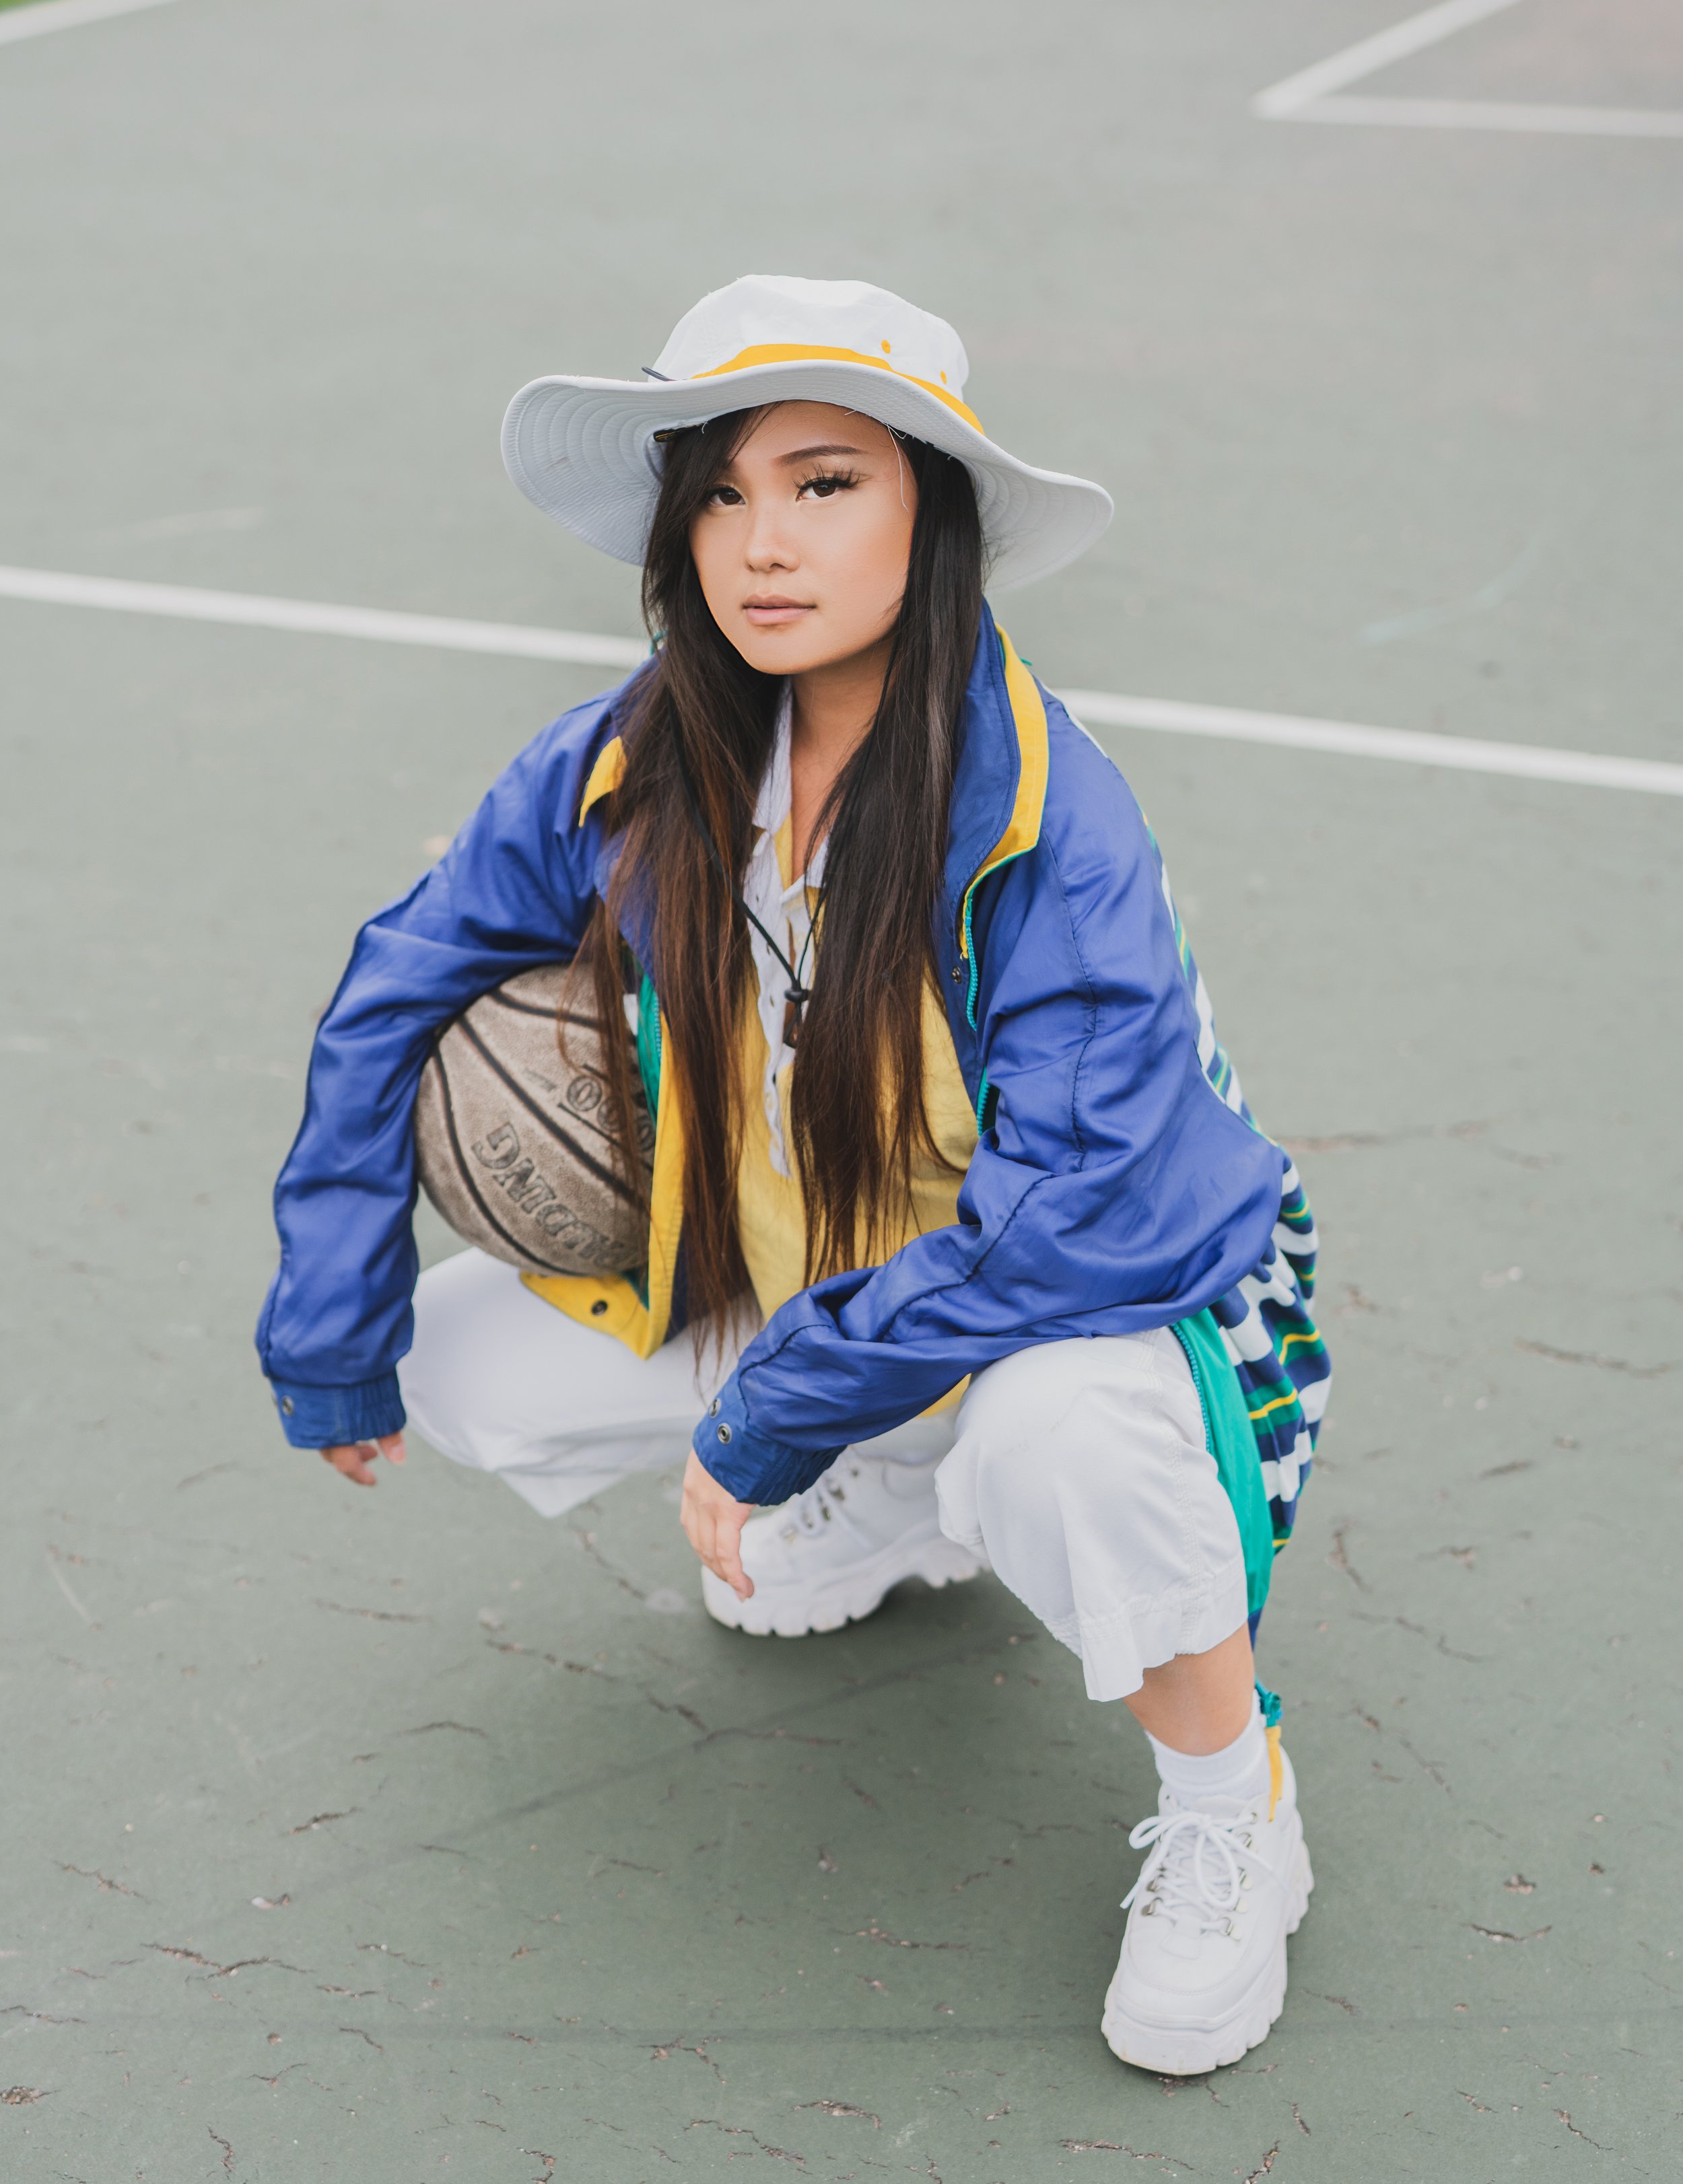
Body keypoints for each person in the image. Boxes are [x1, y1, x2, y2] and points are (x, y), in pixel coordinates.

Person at [256, 275, 1330, 2076]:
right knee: (458, 1365)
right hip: (816, 1272)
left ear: (933, 512)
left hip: (1103, 1307)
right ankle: (900, 1483)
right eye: (721, 495)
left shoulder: (1045, 822)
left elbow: (1077, 1218)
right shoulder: (634, 756)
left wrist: (773, 1415)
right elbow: (400, 990)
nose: (762, 545)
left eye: (825, 484)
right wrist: (330, 1322)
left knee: (1062, 1446)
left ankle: (1234, 1803)